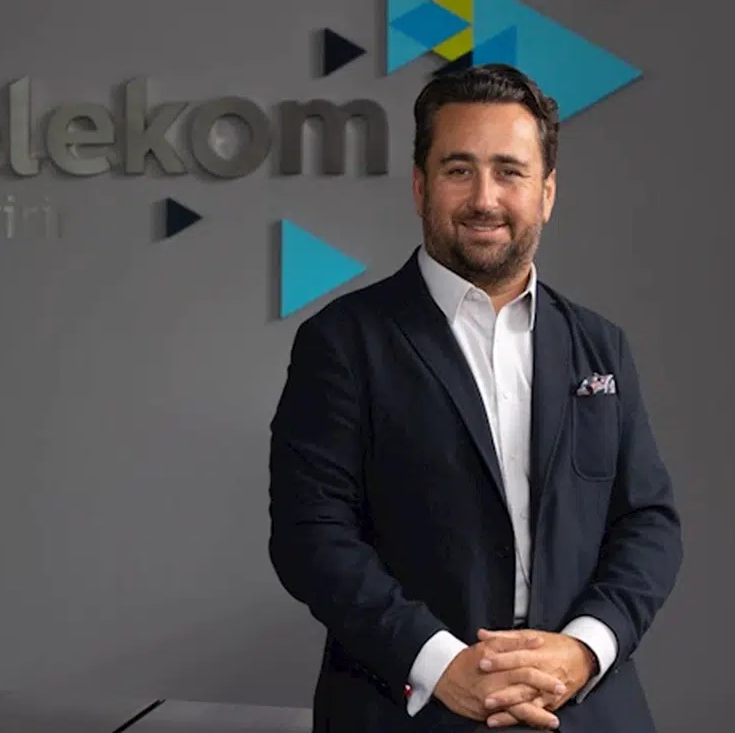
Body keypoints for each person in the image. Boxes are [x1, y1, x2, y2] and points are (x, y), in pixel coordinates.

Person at [266, 64, 682, 732]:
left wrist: (583, 649)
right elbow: (310, 534)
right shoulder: (342, 342)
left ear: (546, 193)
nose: (485, 198)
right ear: (420, 186)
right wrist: (443, 665)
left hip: (584, 704)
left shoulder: (601, 345)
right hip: (410, 707)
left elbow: (648, 522)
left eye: (509, 171)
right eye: (459, 169)